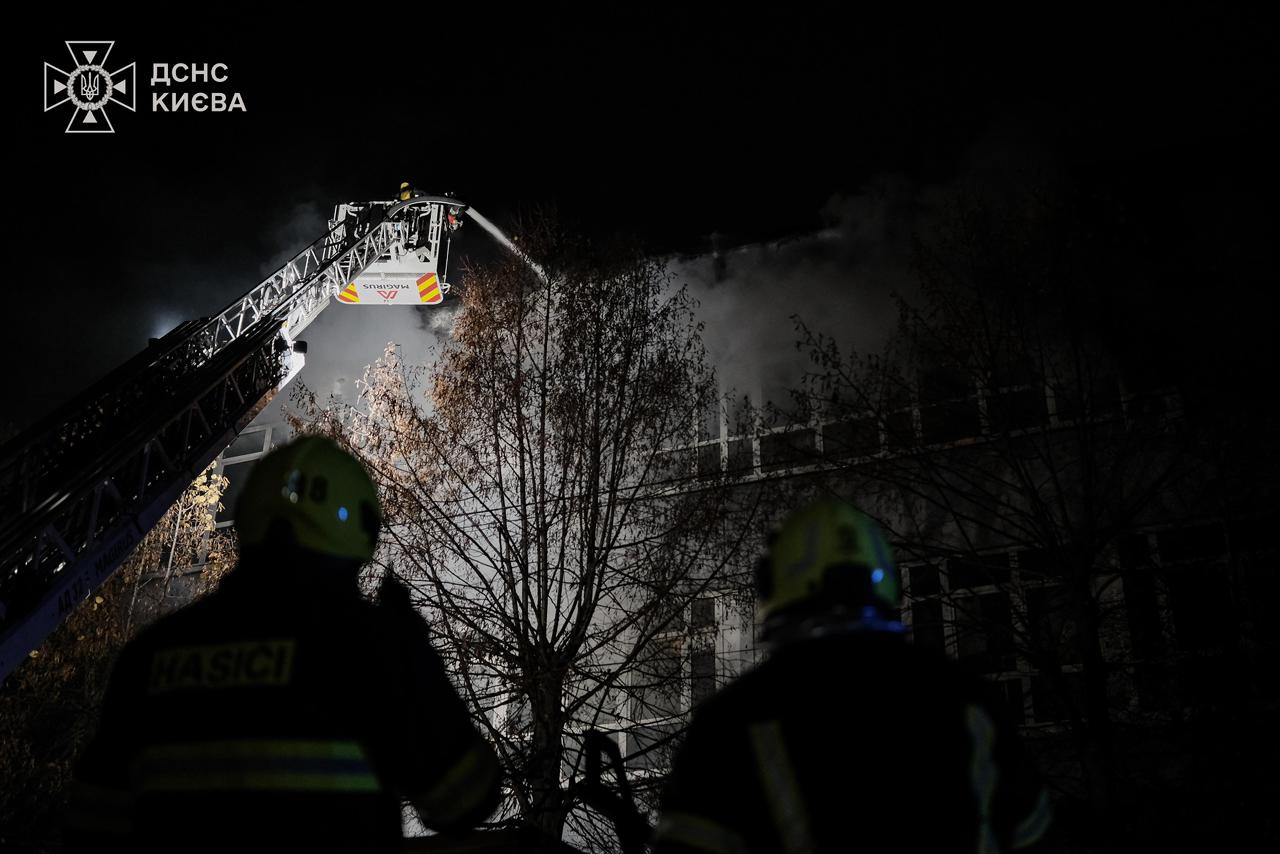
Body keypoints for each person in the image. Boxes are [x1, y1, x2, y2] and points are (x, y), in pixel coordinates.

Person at [65, 436, 501, 851]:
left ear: (251, 514)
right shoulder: (371, 647)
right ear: (358, 528)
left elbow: (92, 830)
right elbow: (463, 801)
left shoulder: (151, 653)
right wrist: (416, 658)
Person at [653, 499, 1053, 854]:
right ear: (881, 575)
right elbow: (1033, 833)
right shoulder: (969, 701)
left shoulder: (731, 725)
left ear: (775, 583)